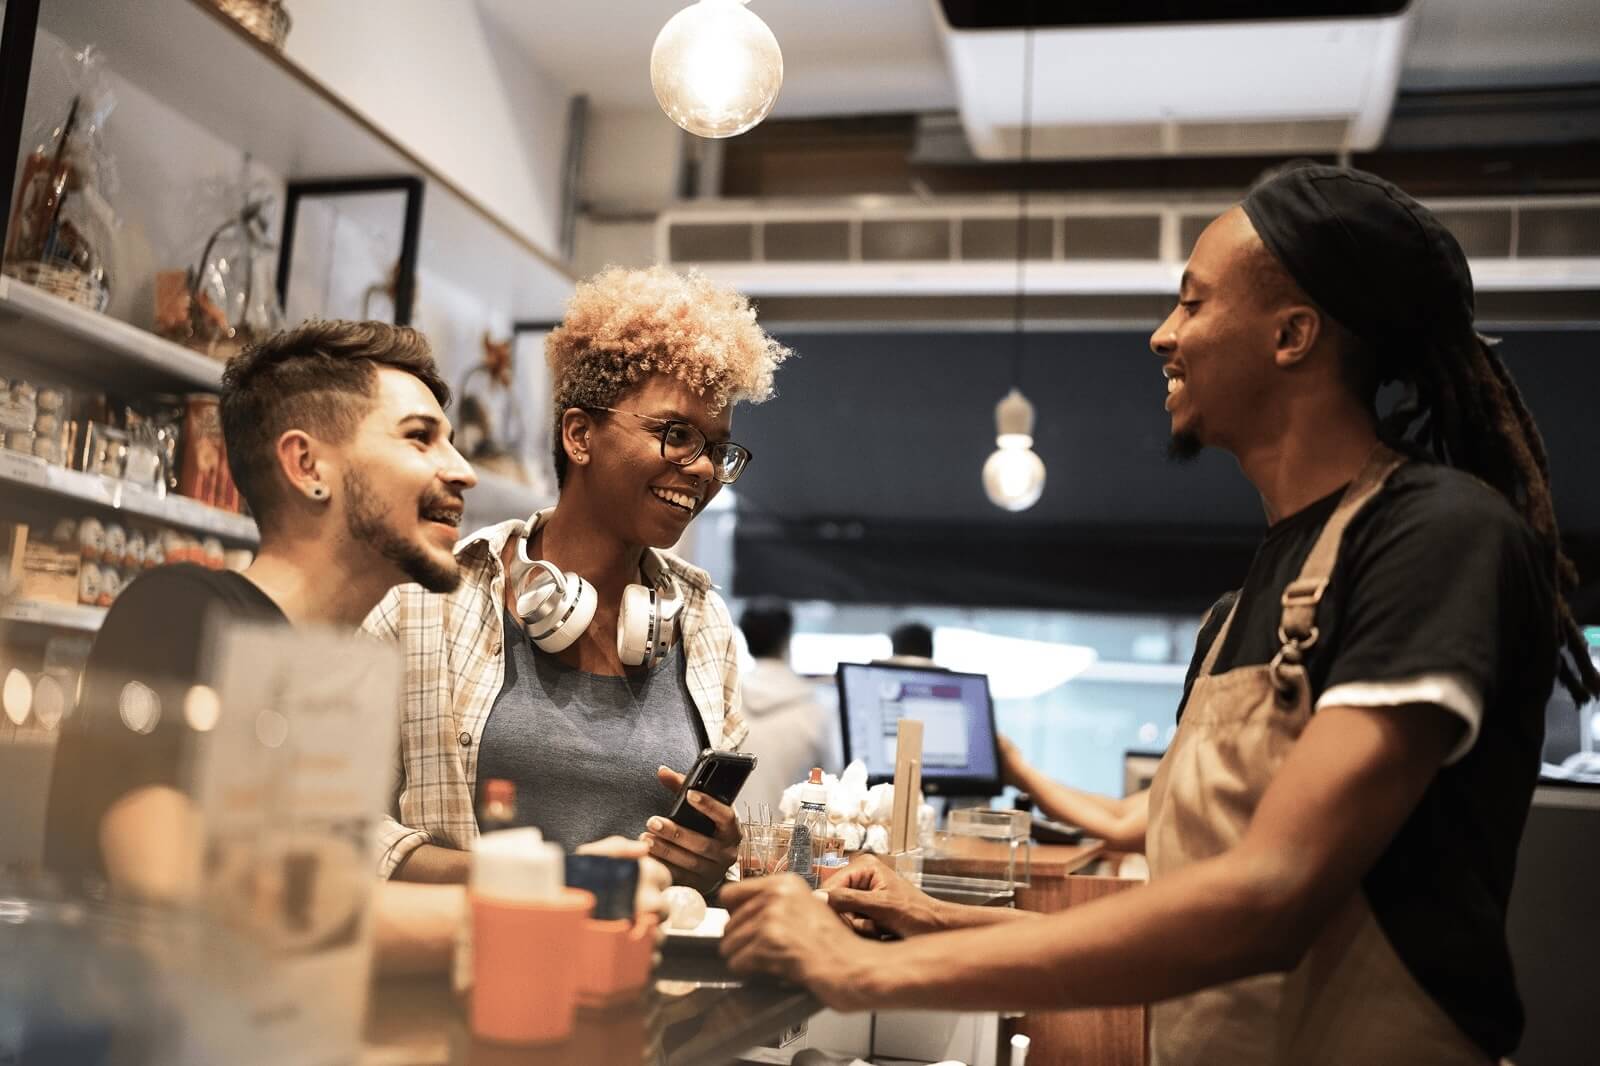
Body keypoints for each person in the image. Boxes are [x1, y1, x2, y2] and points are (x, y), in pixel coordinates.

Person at [719, 165, 1599, 1065]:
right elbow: (1191, 883)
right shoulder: (1239, 611)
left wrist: (861, 972)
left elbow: (1270, 894)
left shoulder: (1436, 535)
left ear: (1293, 334)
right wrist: (930, 915)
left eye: (1192, 303)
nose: (1161, 336)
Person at [41, 320, 664, 974]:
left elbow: (316, 918)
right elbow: (177, 896)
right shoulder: (179, 612)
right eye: (420, 437)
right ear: (308, 465)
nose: (462, 471)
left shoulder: (337, 681)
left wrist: (563, 877)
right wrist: (544, 905)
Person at [369, 266, 790, 894]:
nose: (701, 467)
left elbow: (694, 866)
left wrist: (715, 857)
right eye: (676, 434)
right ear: (579, 435)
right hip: (462, 976)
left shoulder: (704, 624)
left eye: (717, 447)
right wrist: (557, 882)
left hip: (651, 983)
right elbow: (341, 827)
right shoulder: (424, 600)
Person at [737, 598, 837, 812]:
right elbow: (834, 784)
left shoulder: (725, 701)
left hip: (725, 839)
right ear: (786, 640)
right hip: (791, 842)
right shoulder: (816, 708)